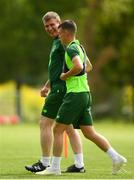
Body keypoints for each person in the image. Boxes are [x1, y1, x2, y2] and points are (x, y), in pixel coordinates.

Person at [36, 20, 127, 176]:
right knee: (89, 132)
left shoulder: (70, 49)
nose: (58, 35)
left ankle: (55, 168)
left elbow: (78, 66)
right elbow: (88, 67)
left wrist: (66, 75)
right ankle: (116, 157)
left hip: (75, 95)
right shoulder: (80, 47)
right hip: (86, 93)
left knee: (57, 129)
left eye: (59, 32)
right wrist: (76, 74)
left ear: (65, 33)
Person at [25, 12, 92, 173]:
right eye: (46, 26)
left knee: (45, 123)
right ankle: (79, 164)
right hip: (61, 88)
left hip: (61, 90)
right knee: (68, 127)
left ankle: (45, 163)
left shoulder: (63, 42)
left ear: (59, 23)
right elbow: (81, 66)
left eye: (52, 24)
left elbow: (85, 65)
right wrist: (48, 84)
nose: (49, 28)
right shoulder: (58, 41)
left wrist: (68, 79)